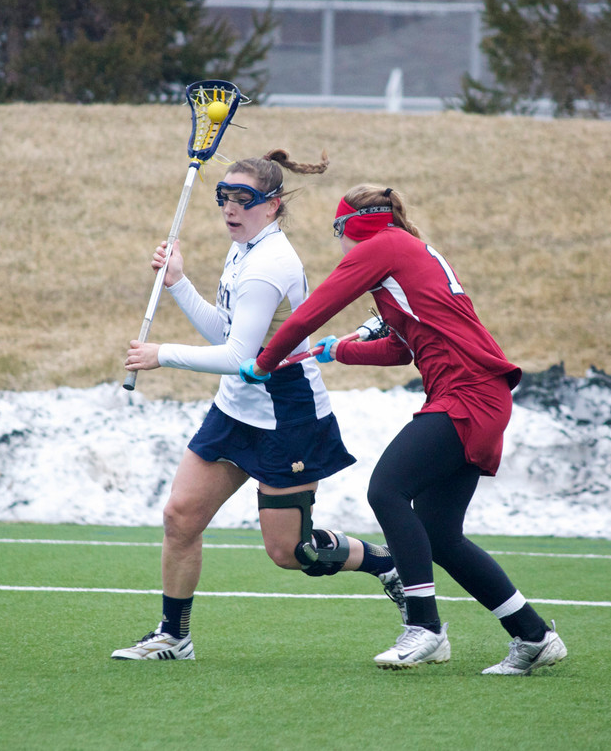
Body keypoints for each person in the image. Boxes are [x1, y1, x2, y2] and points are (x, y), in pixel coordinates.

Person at [240, 184, 567, 675]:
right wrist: (339, 351)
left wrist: (264, 361)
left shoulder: (383, 246)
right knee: (440, 535)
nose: (341, 243)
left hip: (467, 394)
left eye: (338, 231)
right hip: (475, 394)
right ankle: (533, 634)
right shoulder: (407, 252)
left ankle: (425, 628)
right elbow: (402, 347)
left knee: (388, 490)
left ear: (353, 225)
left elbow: (313, 311)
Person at [111, 154, 407, 662]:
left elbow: (241, 356)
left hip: (286, 415)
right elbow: (229, 334)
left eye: (243, 199)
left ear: (271, 207)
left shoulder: (269, 266)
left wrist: (162, 355)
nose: (230, 207)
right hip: (236, 409)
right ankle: (173, 636)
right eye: (224, 195)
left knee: (293, 552)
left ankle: (387, 565)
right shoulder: (243, 249)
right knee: (180, 518)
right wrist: (179, 282)